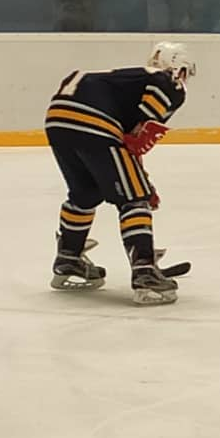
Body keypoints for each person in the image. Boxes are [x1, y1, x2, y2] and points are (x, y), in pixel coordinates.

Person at [43, 41, 193, 304]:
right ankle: (145, 271)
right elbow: (135, 135)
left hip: (58, 118)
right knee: (134, 198)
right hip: (95, 120)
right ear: (179, 68)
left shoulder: (126, 78)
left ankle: (69, 259)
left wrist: (136, 177)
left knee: (86, 192)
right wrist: (142, 188)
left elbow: (125, 141)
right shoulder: (168, 81)